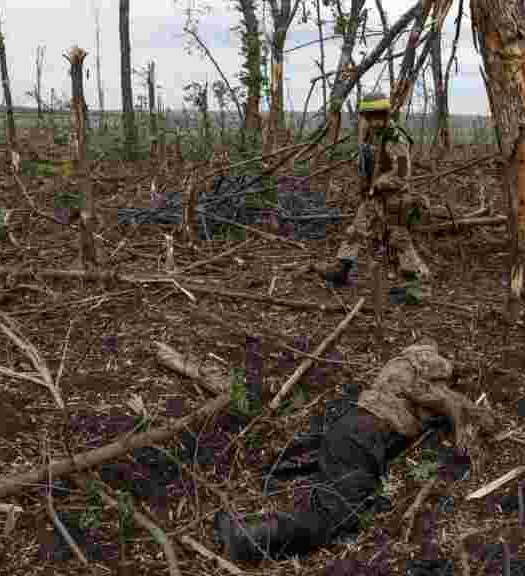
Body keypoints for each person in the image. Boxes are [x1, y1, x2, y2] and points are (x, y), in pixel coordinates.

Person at [212, 340, 501, 563]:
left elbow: (458, 406)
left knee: (328, 483)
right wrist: (463, 417)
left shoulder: (401, 371)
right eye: (448, 370)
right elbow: (457, 406)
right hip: (361, 439)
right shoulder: (423, 379)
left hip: (350, 430)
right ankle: (245, 537)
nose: (449, 373)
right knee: (338, 516)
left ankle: (246, 521)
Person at [314, 91, 433, 286]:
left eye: (379, 116)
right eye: (371, 117)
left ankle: (419, 280)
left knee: (399, 240)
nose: (375, 121)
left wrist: (379, 183)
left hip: (394, 198)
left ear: (385, 114)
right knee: (356, 230)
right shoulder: (371, 136)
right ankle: (342, 269)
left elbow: (402, 173)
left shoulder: (395, 138)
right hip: (375, 198)